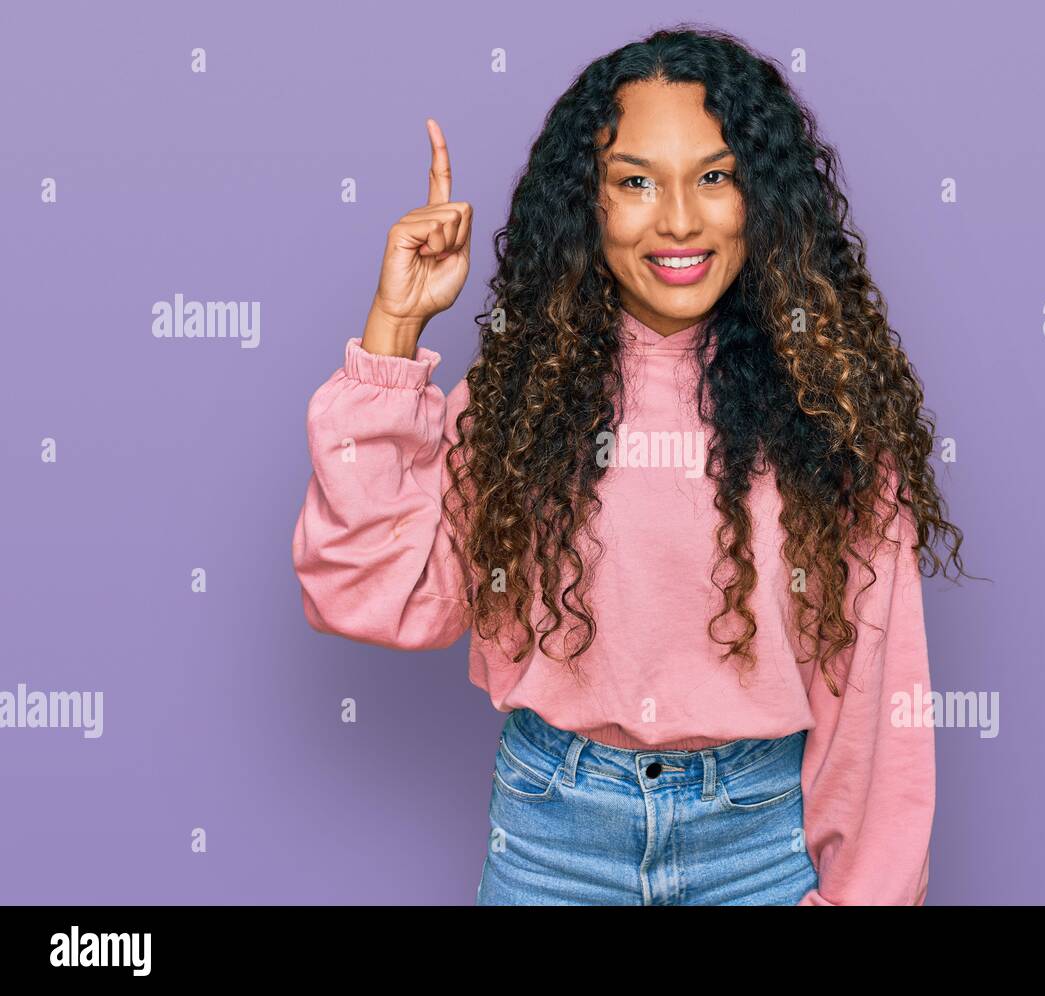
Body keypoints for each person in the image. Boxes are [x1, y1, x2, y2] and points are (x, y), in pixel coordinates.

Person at [291, 25, 971, 905]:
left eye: (715, 177)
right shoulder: (520, 400)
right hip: (551, 841)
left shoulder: (828, 411)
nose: (680, 218)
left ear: (759, 198)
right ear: (589, 203)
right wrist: (395, 327)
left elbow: (879, 713)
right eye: (637, 181)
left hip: (759, 845)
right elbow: (370, 593)